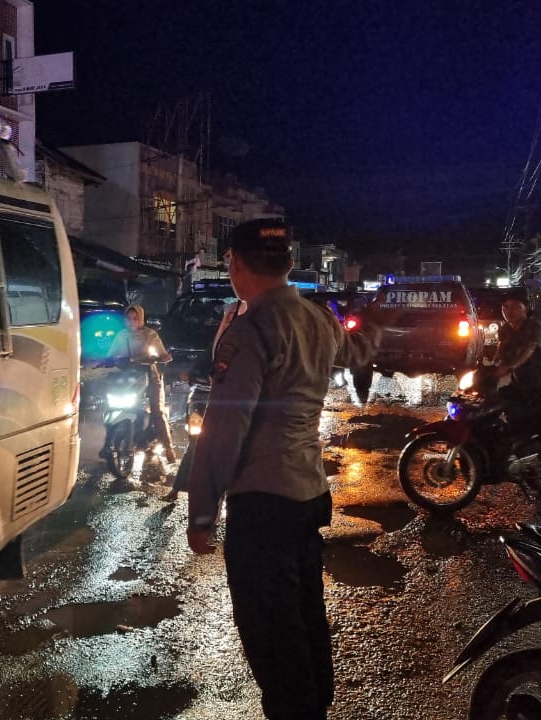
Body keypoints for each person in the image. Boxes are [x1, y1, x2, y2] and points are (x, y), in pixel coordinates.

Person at [184, 218, 382, 720]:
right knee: (304, 614)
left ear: (236, 263)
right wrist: (374, 324)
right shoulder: (317, 318)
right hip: (306, 493)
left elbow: (225, 429)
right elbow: (359, 350)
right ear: (289, 265)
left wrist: (202, 514)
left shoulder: (251, 330)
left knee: (271, 633)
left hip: (262, 502)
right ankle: (315, 704)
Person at [164, 297, 246, 502]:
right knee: (196, 444)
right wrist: (191, 375)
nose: (228, 321)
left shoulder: (247, 344)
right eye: (226, 317)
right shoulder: (216, 343)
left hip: (232, 407)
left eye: (233, 318)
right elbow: (200, 367)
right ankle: (178, 488)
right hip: (203, 401)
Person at [492, 289, 541, 513]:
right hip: (521, 388)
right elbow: (499, 352)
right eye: (505, 307)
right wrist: (487, 367)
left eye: (514, 306)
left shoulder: (535, 327)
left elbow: (528, 350)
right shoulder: (505, 329)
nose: (508, 311)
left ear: (525, 308)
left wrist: (512, 366)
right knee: (492, 413)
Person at [106, 304, 177, 464]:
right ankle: (108, 442)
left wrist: (163, 356)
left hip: (149, 376)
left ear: (141, 318)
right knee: (112, 406)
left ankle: (168, 448)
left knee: (157, 411)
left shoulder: (150, 334)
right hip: (128, 379)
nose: (132, 321)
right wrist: (101, 360)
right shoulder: (121, 335)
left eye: (135, 318)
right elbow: (110, 354)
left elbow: (161, 352)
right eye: (129, 318)